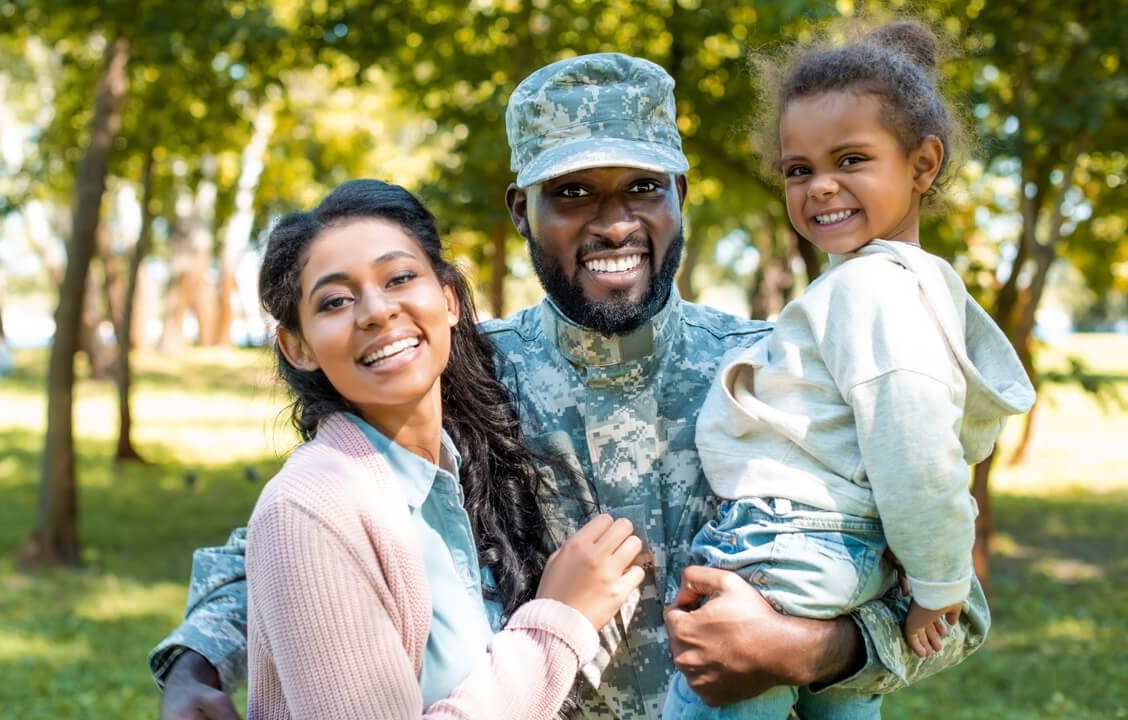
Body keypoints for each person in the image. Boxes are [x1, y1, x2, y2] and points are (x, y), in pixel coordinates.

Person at [152, 53, 992, 720]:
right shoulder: (462, 371)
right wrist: (193, 665)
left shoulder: (778, 371)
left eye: (641, 188)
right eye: (573, 194)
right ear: (522, 211)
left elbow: (957, 608)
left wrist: (804, 651)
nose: (614, 221)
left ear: (681, 198)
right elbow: (309, 530)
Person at [662, 21, 1034, 720]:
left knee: (716, 697)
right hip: (851, 556)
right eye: (798, 169)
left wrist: (940, 582)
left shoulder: (870, 290)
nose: (820, 187)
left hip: (786, 546)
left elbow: (915, 449)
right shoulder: (909, 286)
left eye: (852, 159)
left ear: (923, 165)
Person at [244, 178, 646, 719]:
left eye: (400, 278)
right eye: (336, 300)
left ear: (450, 299)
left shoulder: (458, 465)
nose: (376, 311)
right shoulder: (311, 509)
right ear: (298, 346)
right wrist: (558, 620)